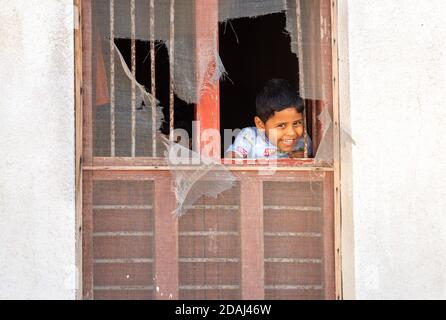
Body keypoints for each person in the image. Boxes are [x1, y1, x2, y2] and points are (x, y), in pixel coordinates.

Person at [226, 79, 313, 159]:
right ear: (260, 124)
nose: (292, 133)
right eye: (281, 125)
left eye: (297, 123)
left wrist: (305, 158)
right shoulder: (249, 137)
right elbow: (232, 158)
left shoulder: (304, 140)